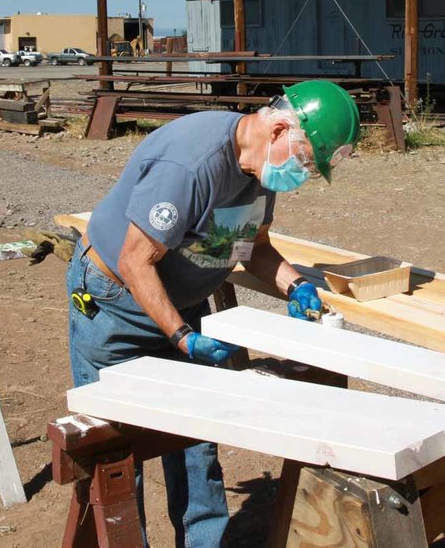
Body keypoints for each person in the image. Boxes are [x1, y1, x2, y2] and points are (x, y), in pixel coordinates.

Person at [66, 80, 360, 548]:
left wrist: (296, 285)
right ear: (280, 128)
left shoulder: (262, 169)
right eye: (305, 160)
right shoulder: (191, 163)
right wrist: (183, 337)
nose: (302, 174)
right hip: (115, 302)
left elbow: (252, 246)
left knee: (196, 444)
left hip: (180, 304)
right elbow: (134, 260)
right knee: (118, 454)